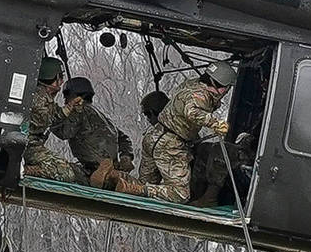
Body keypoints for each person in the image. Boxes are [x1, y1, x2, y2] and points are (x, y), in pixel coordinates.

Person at [138, 65, 234, 204]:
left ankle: (116, 178)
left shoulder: (193, 84)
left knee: (144, 182)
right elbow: (191, 112)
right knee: (180, 194)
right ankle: (138, 189)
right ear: (222, 86)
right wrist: (215, 123)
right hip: (170, 143)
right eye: (227, 88)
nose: (226, 91)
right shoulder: (199, 95)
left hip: (154, 137)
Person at [52, 77, 133, 189]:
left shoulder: (79, 112)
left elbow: (63, 133)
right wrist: (126, 156)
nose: (65, 101)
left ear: (74, 96)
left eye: (66, 97)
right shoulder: (101, 115)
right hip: (112, 165)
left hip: (93, 168)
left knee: (56, 168)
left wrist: (52, 116)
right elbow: (123, 138)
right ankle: (112, 174)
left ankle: (105, 175)